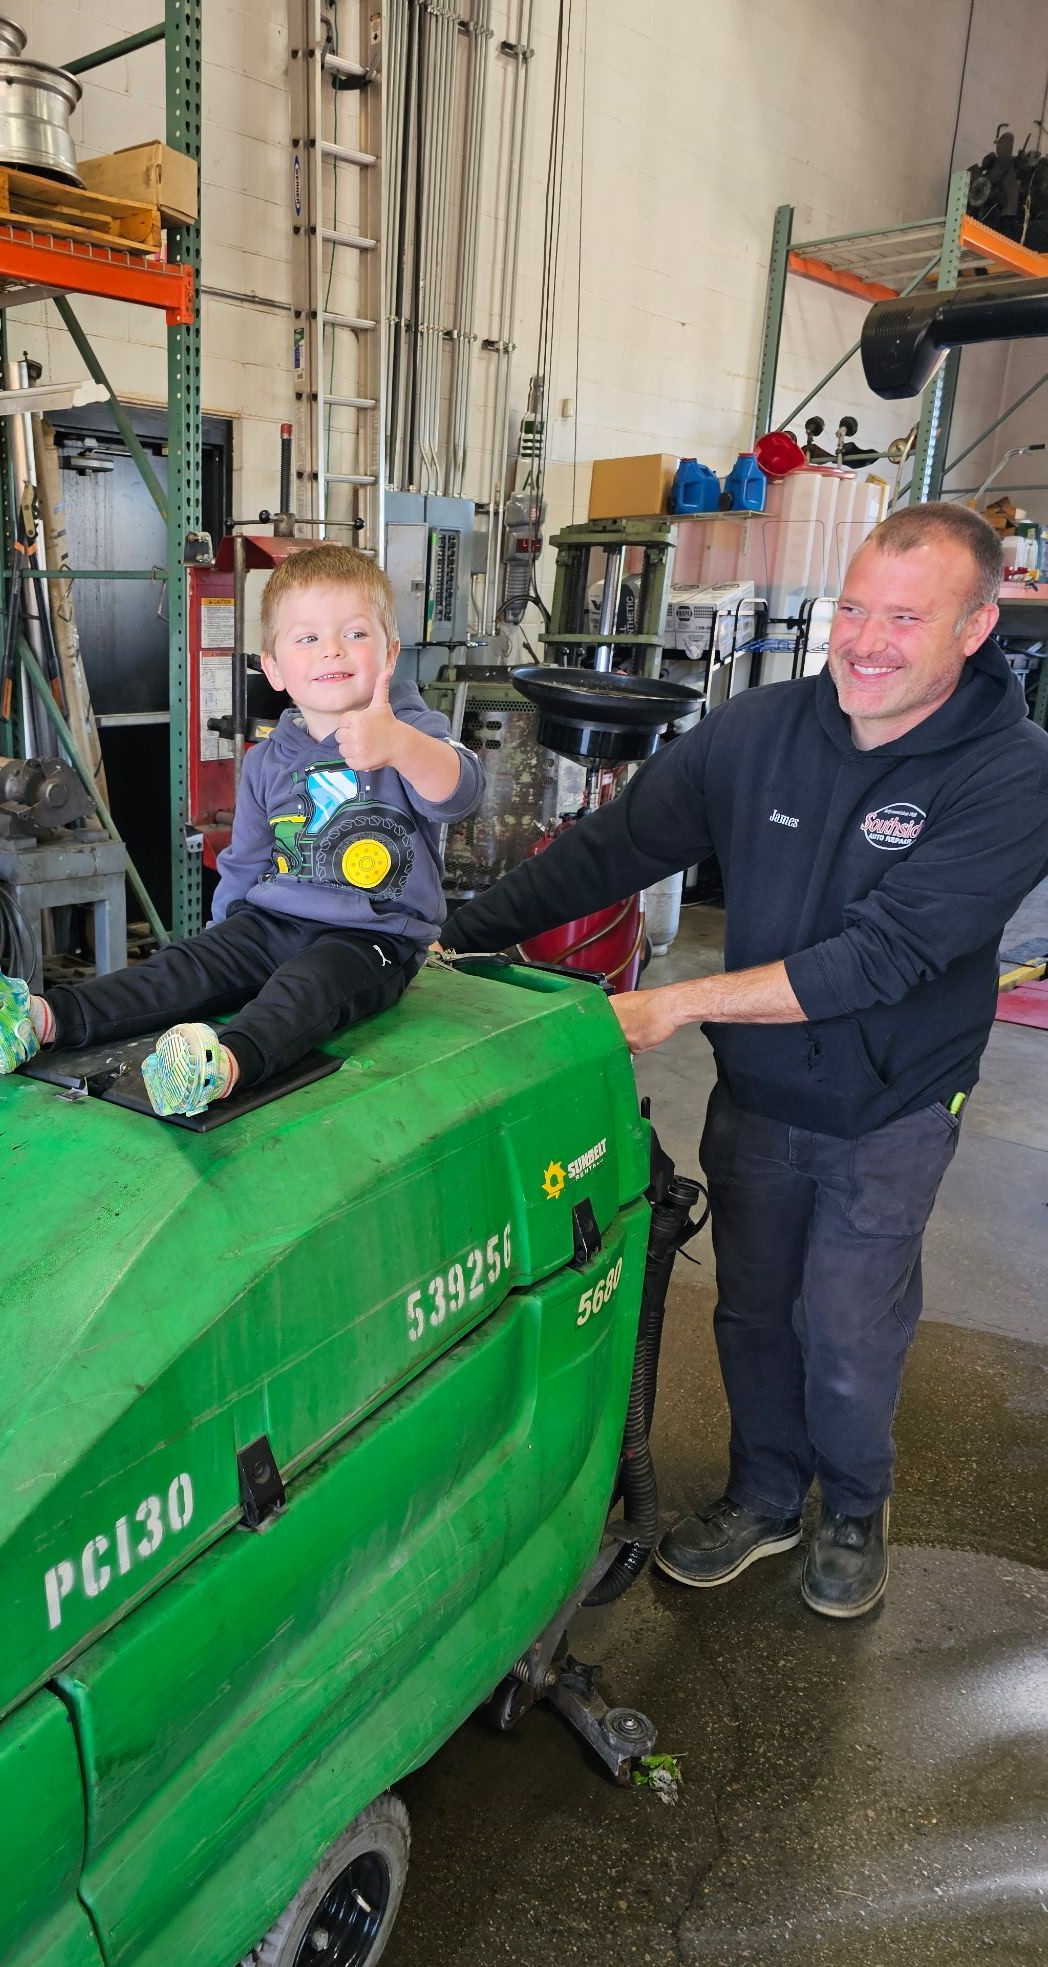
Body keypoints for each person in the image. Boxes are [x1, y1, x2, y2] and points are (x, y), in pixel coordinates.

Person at [442, 502, 1048, 1618]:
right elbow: (617, 847)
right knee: (755, 1308)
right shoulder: (759, 728)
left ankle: (855, 1503)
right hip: (762, 1089)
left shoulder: (1011, 772)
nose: (864, 640)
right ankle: (768, 1494)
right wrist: (460, 931)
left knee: (849, 1326)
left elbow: (889, 954)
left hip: (893, 1104)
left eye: (903, 618)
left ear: (972, 627)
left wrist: (671, 1006)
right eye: (852, 607)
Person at [0, 544, 484, 1118]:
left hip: (373, 940)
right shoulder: (266, 760)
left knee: (306, 989)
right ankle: (36, 1021)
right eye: (306, 638)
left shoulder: (414, 729)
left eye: (354, 633)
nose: (331, 649)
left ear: (390, 653)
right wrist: (224, 948)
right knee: (179, 968)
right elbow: (245, 864)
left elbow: (461, 791)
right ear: (273, 668)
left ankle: (220, 1068)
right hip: (271, 922)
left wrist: (399, 746)